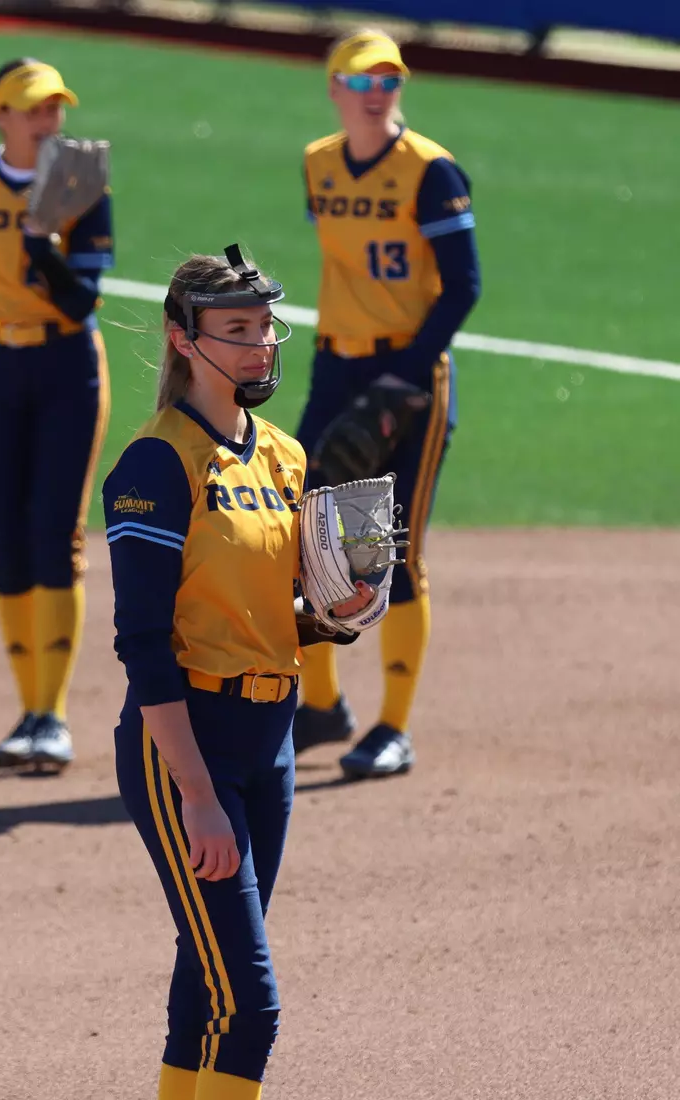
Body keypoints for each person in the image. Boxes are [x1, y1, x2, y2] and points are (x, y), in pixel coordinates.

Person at [102, 247, 379, 1100]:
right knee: (251, 1007)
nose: (260, 346)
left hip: (271, 742)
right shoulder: (156, 464)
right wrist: (195, 794)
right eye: (236, 331)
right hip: (188, 746)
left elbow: (272, 612)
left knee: (207, 980)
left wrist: (338, 610)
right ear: (184, 342)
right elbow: (144, 642)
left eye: (264, 327)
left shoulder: (285, 458)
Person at [293, 30, 482, 779]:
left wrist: (402, 378)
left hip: (410, 379)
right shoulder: (316, 165)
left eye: (388, 81)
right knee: (308, 539)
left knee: (389, 553)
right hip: (337, 370)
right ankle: (320, 707)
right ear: (335, 88)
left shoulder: (430, 171)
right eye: (363, 82)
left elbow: (462, 285)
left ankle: (391, 727)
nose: (377, 94)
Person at [0, 58, 113, 770]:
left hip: (65, 366)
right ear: (0, 114)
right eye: (34, 109)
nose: (49, 121)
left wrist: (41, 246)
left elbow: (80, 301)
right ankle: (25, 709)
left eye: (54, 108)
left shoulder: (80, 184)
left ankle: (51, 715)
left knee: (53, 533)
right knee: (4, 535)